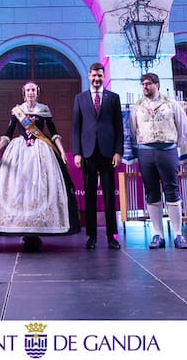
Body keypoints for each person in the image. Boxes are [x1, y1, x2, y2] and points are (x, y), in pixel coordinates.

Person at [0, 82, 79, 250]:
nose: (30, 92)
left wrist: (61, 151)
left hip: (42, 152)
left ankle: (36, 230)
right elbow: (8, 134)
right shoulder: (17, 111)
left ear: (37, 93)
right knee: (20, 190)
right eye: (28, 90)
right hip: (19, 152)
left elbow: (54, 133)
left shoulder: (44, 110)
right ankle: (23, 229)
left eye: (33, 90)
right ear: (24, 93)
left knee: (40, 190)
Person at [128, 72, 187, 249]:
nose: (145, 87)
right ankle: (158, 234)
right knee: (152, 192)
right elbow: (133, 129)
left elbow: (184, 127)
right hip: (146, 152)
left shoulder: (171, 104)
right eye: (142, 84)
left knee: (171, 189)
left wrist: (173, 145)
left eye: (148, 84)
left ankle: (178, 234)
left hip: (167, 151)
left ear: (157, 84)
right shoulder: (138, 107)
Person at [72, 62, 123, 250]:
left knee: (110, 196)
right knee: (90, 197)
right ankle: (91, 236)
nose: (96, 79)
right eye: (93, 76)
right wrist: (76, 152)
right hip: (88, 152)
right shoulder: (80, 98)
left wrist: (118, 151)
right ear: (88, 76)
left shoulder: (113, 98)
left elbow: (119, 127)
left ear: (103, 76)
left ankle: (112, 236)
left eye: (100, 76)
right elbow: (76, 128)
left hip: (109, 153)